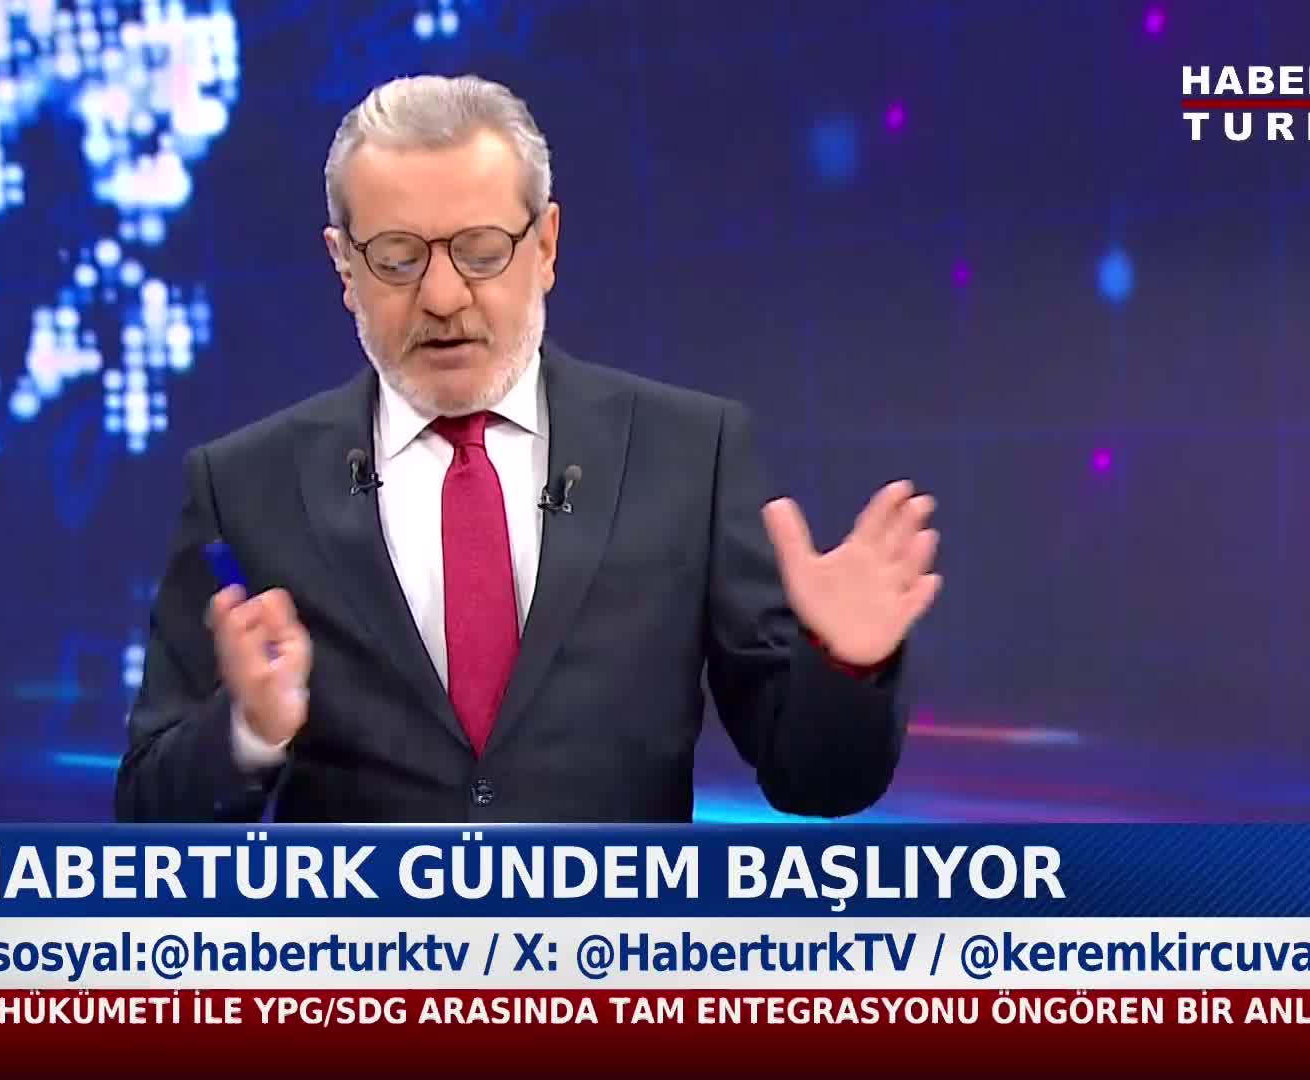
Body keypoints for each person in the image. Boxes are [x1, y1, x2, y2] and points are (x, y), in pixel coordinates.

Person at [114, 74, 940, 823]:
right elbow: (149, 813)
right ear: (343, 267)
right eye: (397, 259)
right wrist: (250, 731)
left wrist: (843, 665)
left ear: (545, 246)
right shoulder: (244, 485)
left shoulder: (689, 454)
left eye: (481, 251)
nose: (442, 297)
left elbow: (815, 780)